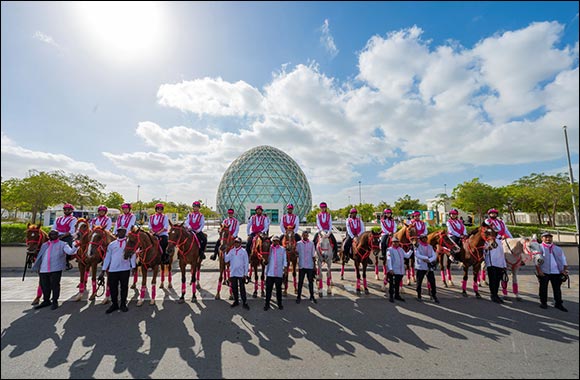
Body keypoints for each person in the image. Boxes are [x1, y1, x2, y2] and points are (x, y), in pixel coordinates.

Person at [31, 230, 79, 310]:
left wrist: (75, 246)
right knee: (44, 286)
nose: (52, 236)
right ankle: (46, 301)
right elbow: (40, 256)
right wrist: (37, 266)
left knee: (55, 285)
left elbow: (70, 252)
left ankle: (55, 301)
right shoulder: (45, 245)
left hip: (56, 268)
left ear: (57, 235)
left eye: (54, 234)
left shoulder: (63, 244)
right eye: (51, 234)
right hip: (44, 268)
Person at [101, 226, 136, 313]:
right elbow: (107, 258)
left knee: (124, 287)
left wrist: (133, 266)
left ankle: (123, 304)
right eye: (120, 231)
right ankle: (114, 304)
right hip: (113, 270)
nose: (121, 233)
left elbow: (133, 255)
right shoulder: (112, 244)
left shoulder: (129, 243)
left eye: (123, 231)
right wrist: (103, 270)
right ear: (117, 232)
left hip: (125, 269)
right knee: (113, 288)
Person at [536, 232, 569, 312]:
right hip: (544, 271)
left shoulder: (557, 248)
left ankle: (558, 303)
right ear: (542, 238)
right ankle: (543, 302)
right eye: (546, 237)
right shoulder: (539, 247)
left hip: (556, 271)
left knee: (557, 288)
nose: (548, 239)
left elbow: (563, 259)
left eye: (550, 237)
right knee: (543, 288)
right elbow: (537, 260)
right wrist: (539, 270)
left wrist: (564, 270)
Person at [412, 233, 439, 303]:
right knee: (419, 282)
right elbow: (417, 254)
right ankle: (419, 295)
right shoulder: (417, 246)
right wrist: (426, 258)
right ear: (420, 239)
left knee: (432, 282)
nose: (425, 239)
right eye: (423, 238)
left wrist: (429, 260)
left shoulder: (430, 246)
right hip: (420, 267)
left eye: (425, 238)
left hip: (429, 267)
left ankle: (434, 295)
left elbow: (434, 255)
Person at [224, 237, 250, 310]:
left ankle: (244, 302)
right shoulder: (232, 251)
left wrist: (245, 274)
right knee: (234, 288)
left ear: (240, 243)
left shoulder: (243, 251)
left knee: (242, 289)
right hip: (233, 273)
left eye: (237, 242)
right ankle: (236, 301)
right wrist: (225, 252)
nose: (236, 243)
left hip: (241, 273)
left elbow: (246, 263)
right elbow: (226, 260)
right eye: (235, 242)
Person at [264, 235, 287, 311]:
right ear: (272, 241)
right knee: (268, 290)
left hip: (278, 273)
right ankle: (267, 303)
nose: (275, 242)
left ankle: (279, 303)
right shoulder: (269, 248)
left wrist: (285, 268)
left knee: (278, 290)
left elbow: (284, 259)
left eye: (277, 241)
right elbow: (265, 257)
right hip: (270, 273)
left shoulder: (282, 249)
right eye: (274, 241)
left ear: (279, 241)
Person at [386, 237, 412, 302]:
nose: (396, 243)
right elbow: (389, 260)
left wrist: (411, 250)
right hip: (393, 270)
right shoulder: (389, 250)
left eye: (397, 242)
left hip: (400, 270)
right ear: (392, 242)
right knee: (392, 284)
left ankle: (397, 295)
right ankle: (391, 296)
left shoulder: (401, 249)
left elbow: (407, 256)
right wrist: (390, 269)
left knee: (397, 283)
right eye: (394, 242)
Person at [53, 203, 77, 270]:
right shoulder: (58, 218)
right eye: (65, 210)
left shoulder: (73, 219)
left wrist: (62, 236)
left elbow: (72, 230)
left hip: (67, 236)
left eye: (68, 210)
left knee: (68, 246)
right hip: (56, 236)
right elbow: (53, 228)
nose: (67, 211)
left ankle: (66, 262)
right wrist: (55, 235)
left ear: (71, 211)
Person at [296, 230, 317, 304]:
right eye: (304, 235)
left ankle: (312, 296)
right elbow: (296, 253)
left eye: (306, 235)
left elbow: (313, 255)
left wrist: (314, 266)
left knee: (310, 282)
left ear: (308, 236)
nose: (305, 236)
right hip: (302, 266)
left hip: (309, 265)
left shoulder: (311, 244)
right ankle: (298, 296)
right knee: (300, 282)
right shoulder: (298, 244)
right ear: (302, 236)